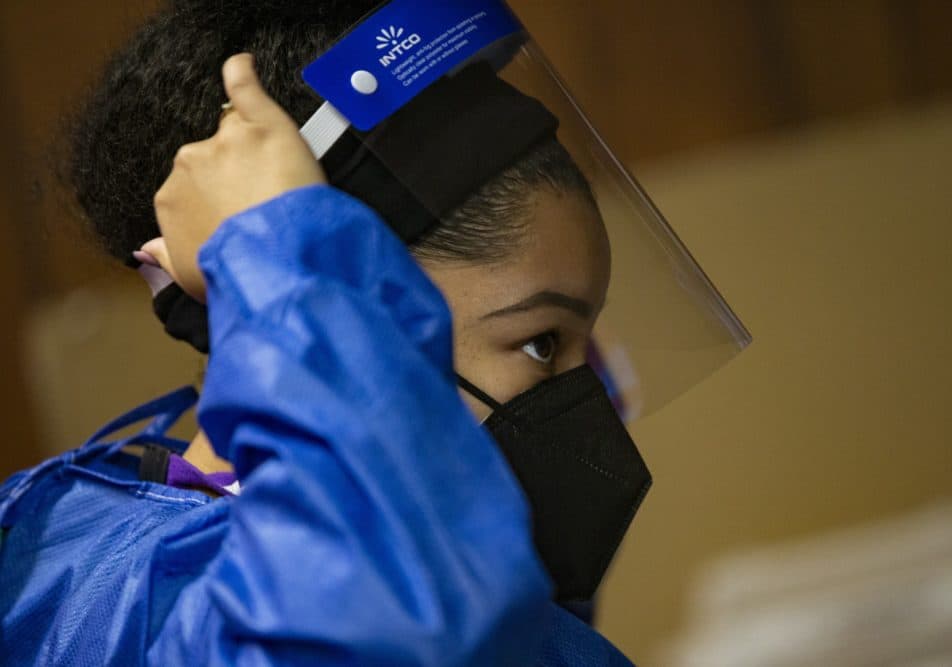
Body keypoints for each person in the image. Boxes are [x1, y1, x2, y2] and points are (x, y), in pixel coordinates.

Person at [0, 1, 674, 664]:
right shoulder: (96, 583)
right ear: (325, 305)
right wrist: (283, 247)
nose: (593, 408)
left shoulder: (458, 570)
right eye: (542, 343)